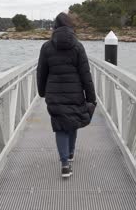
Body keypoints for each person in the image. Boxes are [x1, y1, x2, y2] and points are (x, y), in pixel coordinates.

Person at [37, 12, 96, 178]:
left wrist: (42, 92)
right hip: (75, 93)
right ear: (71, 26)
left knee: (60, 126)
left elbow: (41, 72)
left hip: (54, 94)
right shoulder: (78, 46)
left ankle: (65, 164)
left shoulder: (47, 47)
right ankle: (70, 153)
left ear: (55, 26)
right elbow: (86, 74)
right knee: (72, 122)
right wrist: (91, 97)